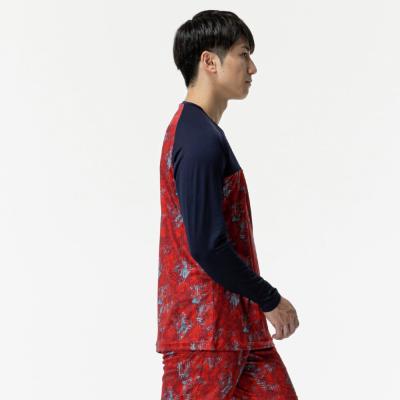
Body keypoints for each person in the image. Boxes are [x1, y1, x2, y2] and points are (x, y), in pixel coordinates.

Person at [156, 10, 300, 399]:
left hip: (240, 331)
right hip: (204, 339)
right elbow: (207, 246)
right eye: (243, 54)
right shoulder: (197, 140)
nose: (252, 68)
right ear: (210, 61)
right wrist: (270, 298)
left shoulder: (203, 133)